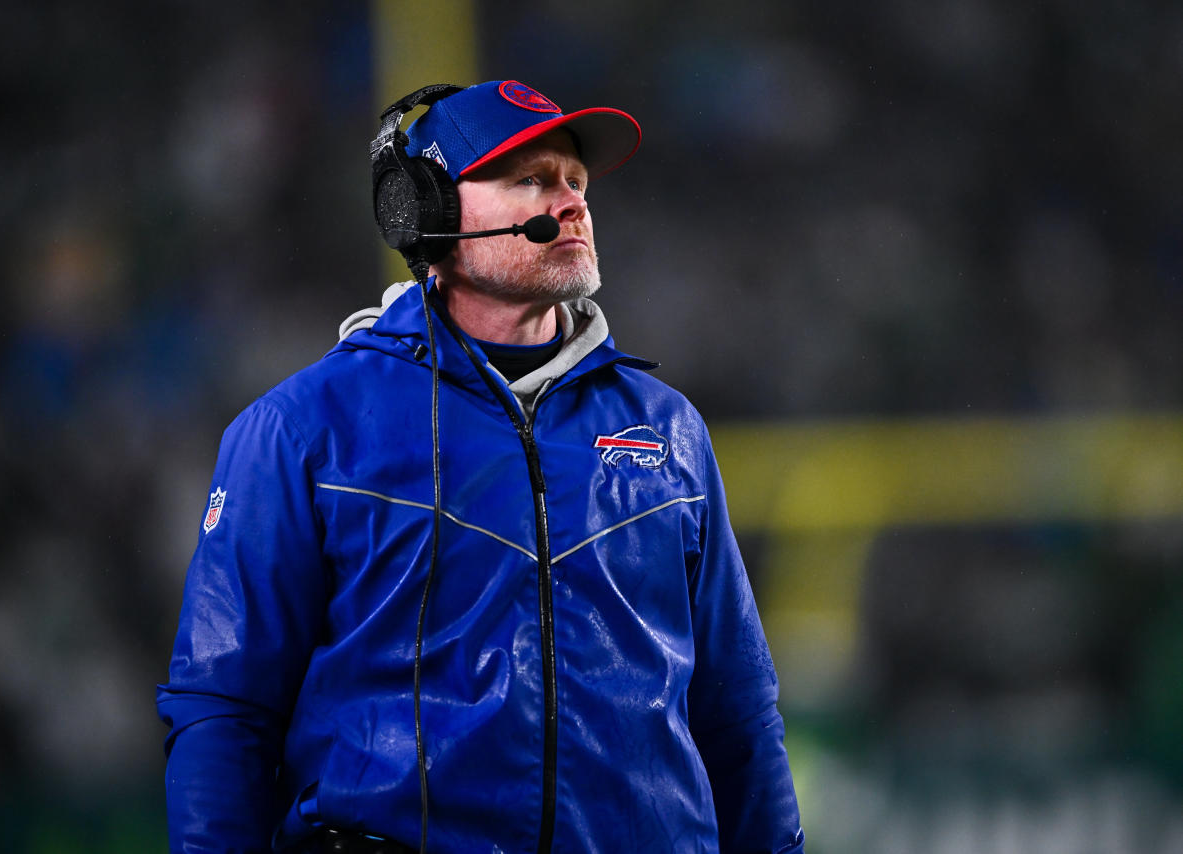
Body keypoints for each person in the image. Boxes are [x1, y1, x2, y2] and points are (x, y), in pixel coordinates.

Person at [157, 79, 805, 854]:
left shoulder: (668, 431)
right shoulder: (301, 430)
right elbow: (224, 709)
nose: (569, 203)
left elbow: (739, 718)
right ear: (421, 214)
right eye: (530, 178)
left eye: (576, 181)